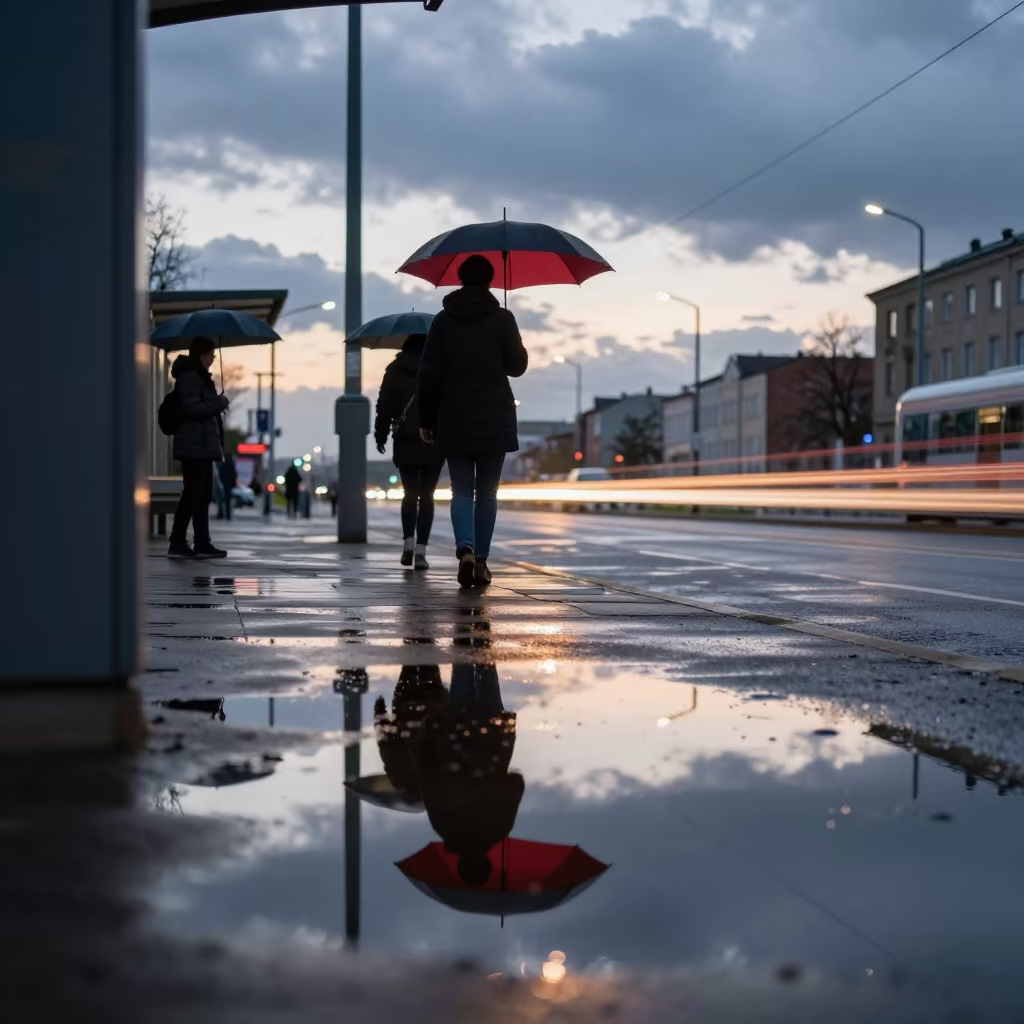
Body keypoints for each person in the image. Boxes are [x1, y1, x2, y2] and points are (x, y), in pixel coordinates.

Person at [417, 255, 528, 588]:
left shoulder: (442, 321)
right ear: (491, 281)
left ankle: (464, 548)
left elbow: (429, 372)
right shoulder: (502, 317)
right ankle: (480, 560)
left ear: (460, 279)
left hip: (454, 415)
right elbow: (517, 366)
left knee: (461, 490)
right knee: (488, 492)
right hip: (493, 414)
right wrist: (510, 336)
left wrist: (426, 417)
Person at [374, 333, 446, 570]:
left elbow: (384, 405)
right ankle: (421, 552)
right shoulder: (438, 367)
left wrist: (381, 433)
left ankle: (407, 544)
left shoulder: (394, 369)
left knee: (409, 494)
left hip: (405, 439)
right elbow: (446, 403)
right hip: (433, 439)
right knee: (426, 496)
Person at [167, 337, 230, 559]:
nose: (213, 357)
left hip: (202, 447)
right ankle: (178, 541)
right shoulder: (190, 379)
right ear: (202, 355)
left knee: (202, 496)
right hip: (193, 446)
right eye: (211, 354)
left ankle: (202, 543)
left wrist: (216, 404)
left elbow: (203, 407)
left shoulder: (202, 379)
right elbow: (193, 409)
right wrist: (218, 404)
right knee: (193, 495)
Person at [217, 453, 238, 521]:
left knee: (221, 500)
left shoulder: (223, 465)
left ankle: (221, 513)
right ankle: (228, 514)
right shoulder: (232, 465)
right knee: (228, 501)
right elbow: (234, 475)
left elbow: (220, 474)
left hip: (224, 485)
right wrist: (233, 483)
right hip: (229, 486)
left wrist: (222, 482)